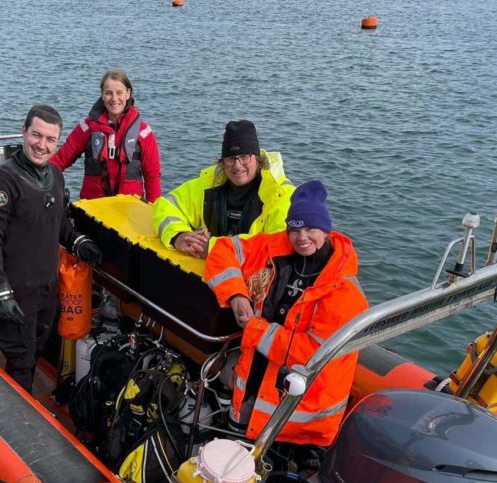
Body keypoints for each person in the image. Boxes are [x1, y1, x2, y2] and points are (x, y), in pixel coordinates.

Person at [204, 180, 368, 449]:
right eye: (295, 229)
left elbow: (311, 354)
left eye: (311, 229)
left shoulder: (345, 291)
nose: (302, 237)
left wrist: (255, 329)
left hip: (300, 423)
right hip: (250, 396)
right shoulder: (273, 248)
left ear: (326, 231)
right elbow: (223, 250)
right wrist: (236, 294)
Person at [0, 104, 103, 393]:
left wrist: (79, 242)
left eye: (50, 140)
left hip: (48, 287)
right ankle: (19, 418)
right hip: (17, 290)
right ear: (24, 132)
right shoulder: (0, 180)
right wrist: (0, 291)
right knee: (20, 359)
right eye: (36, 135)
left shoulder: (55, 177)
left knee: (38, 348)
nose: (41, 145)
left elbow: (59, 221)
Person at [152, 120, 294, 258]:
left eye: (245, 157)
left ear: (257, 160)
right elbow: (166, 204)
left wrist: (213, 247)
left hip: (257, 277)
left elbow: (279, 244)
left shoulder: (281, 195)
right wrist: (178, 236)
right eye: (231, 158)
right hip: (214, 272)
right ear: (222, 161)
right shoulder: (210, 185)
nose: (237, 165)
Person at [51, 69, 161, 202]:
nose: (114, 99)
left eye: (119, 93)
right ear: (102, 95)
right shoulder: (87, 128)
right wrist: (36, 179)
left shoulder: (144, 133)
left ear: (128, 94)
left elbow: (152, 176)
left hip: (130, 210)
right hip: (93, 209)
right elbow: (60, 160)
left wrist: (154, 211)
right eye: (108, 93)